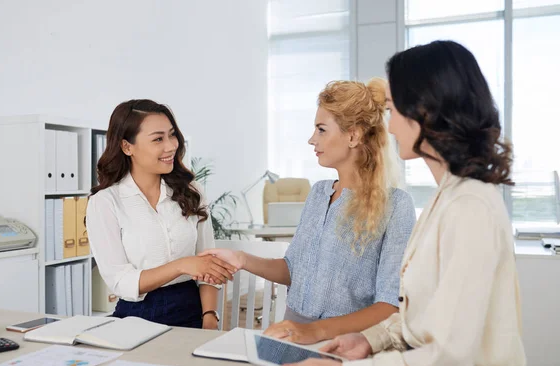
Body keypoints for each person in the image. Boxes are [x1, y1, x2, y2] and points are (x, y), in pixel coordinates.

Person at [280, 40, 526, 366]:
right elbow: (423, 315)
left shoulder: (471, 208)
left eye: (394, 109)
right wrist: (368, 339)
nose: (390, 127)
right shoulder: (447, 198)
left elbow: (449, 355)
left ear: (424, 111)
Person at [200, 79, 416, 344]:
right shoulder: (318, 193)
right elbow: (293, 270)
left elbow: (389, 305)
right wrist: (241, 258)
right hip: (293, 332)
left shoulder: (396, 205)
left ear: (353, 135)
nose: (312, 139)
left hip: (348, 343)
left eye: (321, 129)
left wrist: (316, 332)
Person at [86, 99, 237, 329]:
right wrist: (181, 265)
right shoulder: (105, 202)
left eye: (172, 135)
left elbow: (208, 262)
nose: (171, 146)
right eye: (158, 139)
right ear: (127, 147)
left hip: (193, 310)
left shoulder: (191, 192)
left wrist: (210, 316)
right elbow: (120, 281)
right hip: (136, 317)